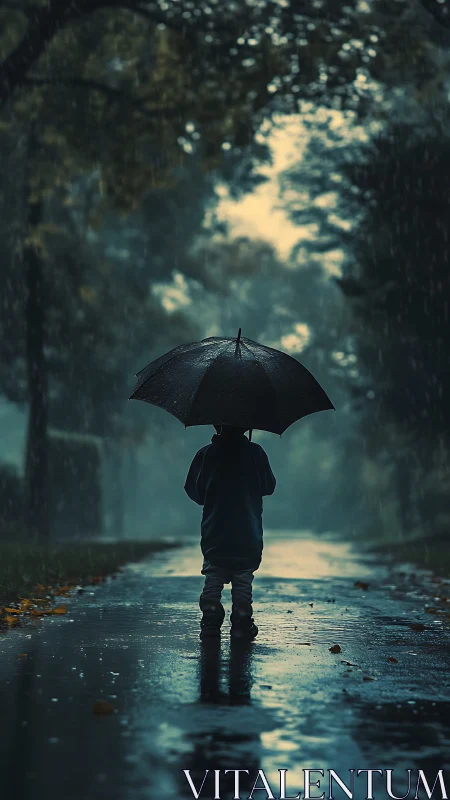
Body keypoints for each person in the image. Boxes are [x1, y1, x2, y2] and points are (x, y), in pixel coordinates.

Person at [184, 424, 276, 641]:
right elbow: (268, 486)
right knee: (243, 579)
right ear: (247, 426)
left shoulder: (206, 454)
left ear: (216, 424)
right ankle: (242, 618)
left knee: (214, 576)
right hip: (248, 533)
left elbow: (194, 492)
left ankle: (210, 615)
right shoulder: (256, 453)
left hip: (216, 532)